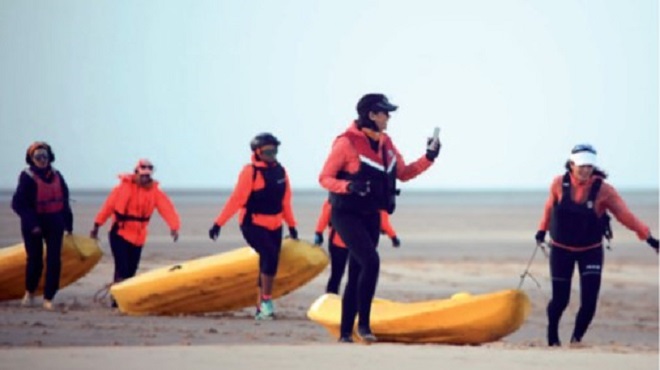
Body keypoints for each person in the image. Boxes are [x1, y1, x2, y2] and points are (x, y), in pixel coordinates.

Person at [318, 93, 440, 343]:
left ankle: (344, 334)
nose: (389, 117)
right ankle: (364, 325)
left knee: (357, 271)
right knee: (371, 262)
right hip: (346, 214)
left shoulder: (387, 144)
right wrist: (349, 187)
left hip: (371, 215)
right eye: (385, 112)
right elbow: (325, 178)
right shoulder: (346, 143)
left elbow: (404, 173)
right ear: (372, 115)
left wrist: (429, 157)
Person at [534, 144, 659, 347]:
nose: (585, 170)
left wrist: (649, 238)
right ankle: (552, 337)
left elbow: (625, 216)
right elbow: (550, 207)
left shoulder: (604, 190)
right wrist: (541, 230)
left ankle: (576, 340)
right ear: (572, 164)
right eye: (582, 166)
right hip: (560, 249)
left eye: (589, 167)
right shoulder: (558, 183)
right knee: (560, 300)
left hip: (590, 251)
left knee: (589, 303)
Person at [208, 132, 298, 321]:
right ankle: (266, 302)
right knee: (269, 255)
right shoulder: (250, 172)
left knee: (269, 262)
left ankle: (260, 308)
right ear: (257, 152)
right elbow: (236, 199)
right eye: (267, 152)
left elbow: (286, 202)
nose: (272, 155)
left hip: (275, 224)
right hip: (252, 224)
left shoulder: (281, 172)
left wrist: (291, 226)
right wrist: (219, 223)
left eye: (275, 151)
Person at [90, 159, 180, 306]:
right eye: (142, 175)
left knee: (131, 271)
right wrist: (96, 225)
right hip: (119, 233)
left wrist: (174, 227)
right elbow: (108, 207)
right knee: (122, 268)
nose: (145, 179)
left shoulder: (155, 192)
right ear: (136, 173)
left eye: (147, 176)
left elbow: (167, 209)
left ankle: (124, 298)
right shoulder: (122, 189)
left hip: (139, 236)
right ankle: (116, 301)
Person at [11, 142, 74, 310]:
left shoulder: (57, 176)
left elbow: (65, 202)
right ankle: (29, 292)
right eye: (38, 157)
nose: (42, 160)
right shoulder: (27, 177)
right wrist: (33, 224)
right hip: (33, 224)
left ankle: (49, 298)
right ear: (32, 159)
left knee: (54, 261)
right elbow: (18, 204)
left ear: (49, 157)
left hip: (54, 222)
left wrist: (69, 225)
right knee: (35, 260)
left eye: (44, 156)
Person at [314, 198, 400, 294]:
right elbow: (383, 222)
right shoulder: (376, 198)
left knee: (337, 274)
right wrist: (393, 237)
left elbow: (325, 215)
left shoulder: (336, 197)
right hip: (356, 243)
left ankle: (332, 298)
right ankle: (352, 301)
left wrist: (319, 232)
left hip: (339, 241)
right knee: (354, 275)